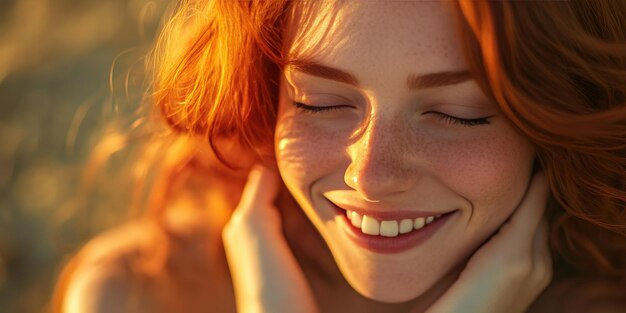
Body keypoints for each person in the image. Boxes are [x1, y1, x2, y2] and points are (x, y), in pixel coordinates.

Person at [53, 0, 626, 312]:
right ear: (264, 93)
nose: (371, 174)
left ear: (556, 118)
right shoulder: (137, 296)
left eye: (458, 112)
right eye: (318, 102)